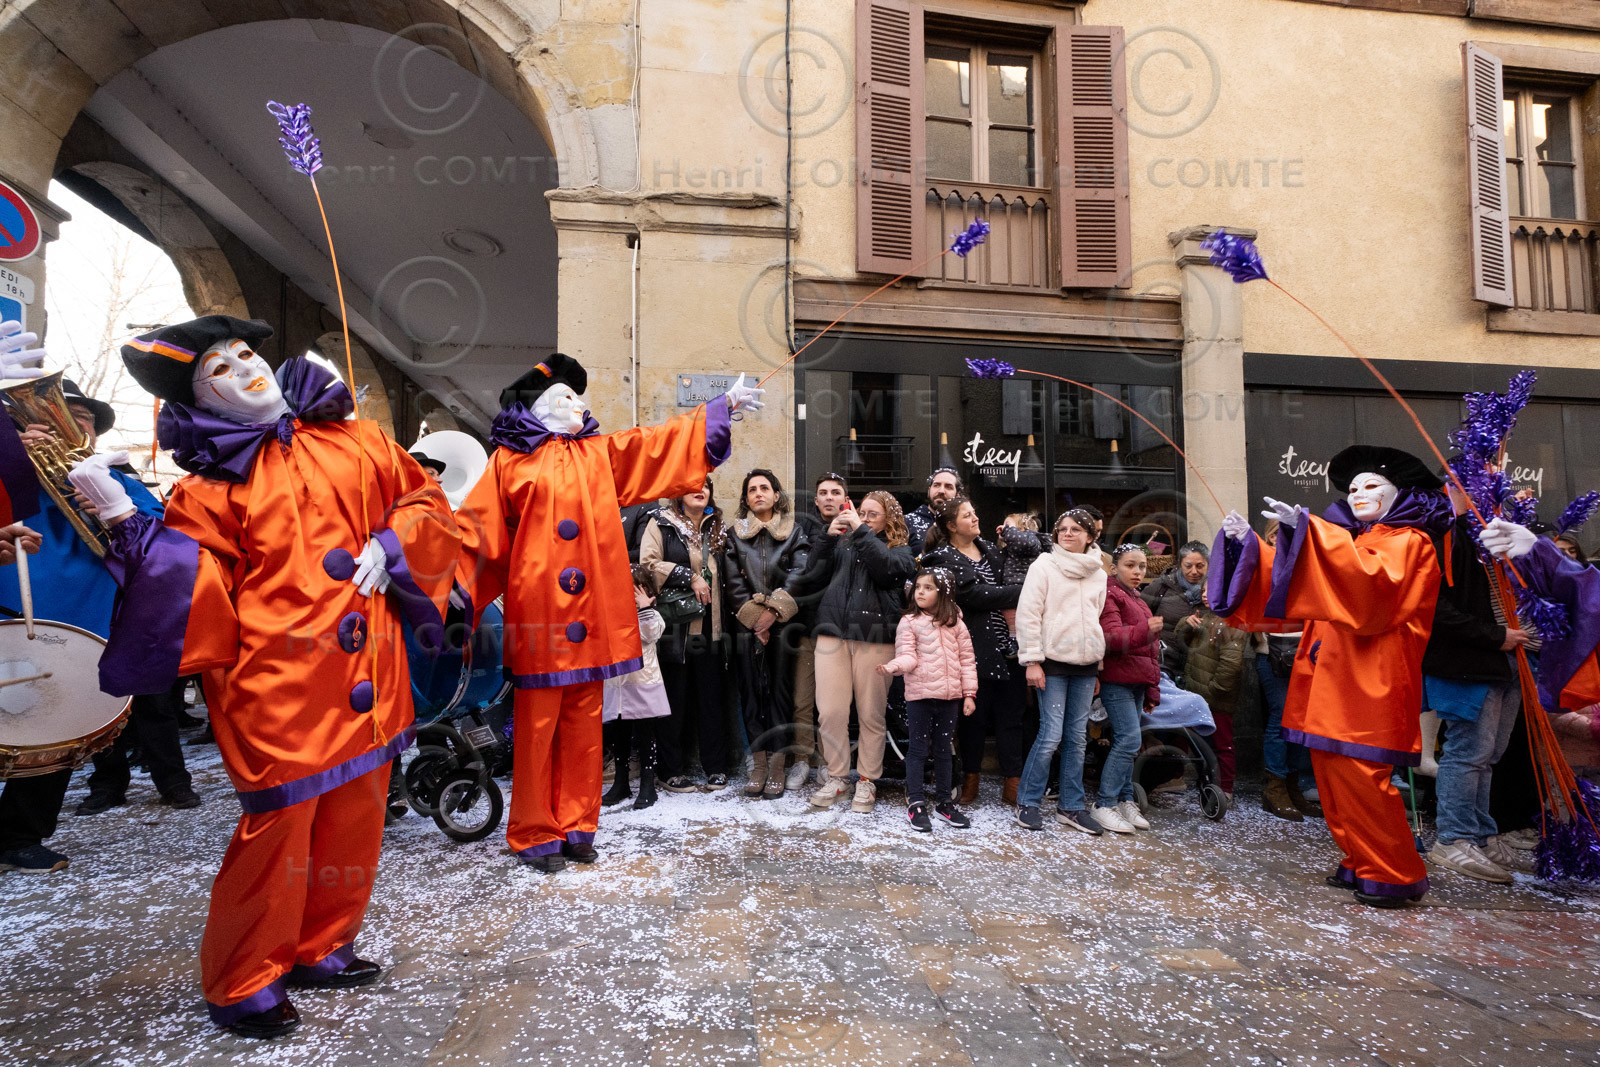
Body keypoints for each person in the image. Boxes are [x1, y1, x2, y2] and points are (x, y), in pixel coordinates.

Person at [82, 316, 460, 1037]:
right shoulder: (208, 491)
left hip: (370, 670)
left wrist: (395, 542)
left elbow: (425, 503)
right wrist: (130, 524)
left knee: (356, 814)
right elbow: (192, 593)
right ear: (200, 403)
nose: (242, 368)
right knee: (279, 825)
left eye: (246, 353)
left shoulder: (359, 440)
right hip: (276, 687)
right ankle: (244, 974)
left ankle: (323, 941)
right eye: (217, 369)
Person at [454, 355, 756, 873]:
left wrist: (719, 409)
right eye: (567, 397)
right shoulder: (508, 462)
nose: (580, 404)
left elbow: (654, 446)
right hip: (541, 617)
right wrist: (450, 590)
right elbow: (477, 534)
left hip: (591, 618)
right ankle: (533, 832)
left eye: (579, 396)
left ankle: (577, 825)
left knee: (584, 726)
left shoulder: (599, 453)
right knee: (537, 730)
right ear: (538, 409)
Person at [1212, 445, 1448, 908]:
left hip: (1370, 682)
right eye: (1353, 487)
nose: (1359, 493)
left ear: (1399, 495)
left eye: (1372, 486)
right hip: (1330, 679)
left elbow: (1368, 593)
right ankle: (1361, 859)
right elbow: (1302, 599)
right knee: (1334, 777)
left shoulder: (1410, 542)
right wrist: (1251, 550)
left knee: (1363, 776)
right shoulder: (1356, 540)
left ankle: (1393, 871)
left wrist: (1307, 534)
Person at [0, 360, 176, 875]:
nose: (72, 427)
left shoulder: (116, 477)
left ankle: (20, 834)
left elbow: (160, 541)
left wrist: (109, 503)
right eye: (58, 416)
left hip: (85, 623)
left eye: (83, 419)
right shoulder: (9, 468)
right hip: (12, 606)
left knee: (56, 728)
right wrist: (14, 464)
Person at [1420, 473, 1531, 884]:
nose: (1484, 493)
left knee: (1490, 753)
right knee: (1468, 752)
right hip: (1467, 660)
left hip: (1504, 660)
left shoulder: (1492, 534)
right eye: (1471, 484)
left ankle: (1481, 836)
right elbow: (1432, 605)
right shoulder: (1438, 535)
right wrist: (1495, 635)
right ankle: (1453, 838)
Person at [804, 490, 916, 814]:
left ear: (888, 519)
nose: (862, 518)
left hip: (876, 638)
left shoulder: (901, 550)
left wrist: (860, 530)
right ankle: (838, 776)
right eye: (860, 512)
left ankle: (867, 779)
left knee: (870, 714)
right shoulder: (841, 542)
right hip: (832, 634)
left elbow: (887, 570)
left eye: (871, 514)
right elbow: (812, 573)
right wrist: (827, 537)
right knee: (830, 712)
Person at [921, 495, 1027, 806]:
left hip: (1012, 647)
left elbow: (996, 587)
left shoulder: (991, 550)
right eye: (967, 515)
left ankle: (1013, 782)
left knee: (1012, 718)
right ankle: (971, 781)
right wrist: (1023, 592)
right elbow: (973, 595)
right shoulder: (943, 557)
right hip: (972, 649)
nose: (975, 518)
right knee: (973, 719)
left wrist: (1008, 594)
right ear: (952, 526)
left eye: (974, 512)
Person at [1014, 510, 1108, 835]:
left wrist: (1097, 665)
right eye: (1062, 529)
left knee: (1077, 739)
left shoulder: (1099, 572)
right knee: (1051, 734)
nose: (1067, 534)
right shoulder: (1043, 566)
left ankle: (1071, 806)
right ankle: (1028, 801)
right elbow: (1028, 614)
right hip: (1050, 664)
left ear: (1090, 535)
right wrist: (1032, 661)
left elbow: (1095, 618)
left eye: (1075, 529)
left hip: (1084, 667)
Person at [723, 469, 810, 798]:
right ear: (745, 499)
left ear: (776, 495)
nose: (758, 493)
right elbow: (732, 580)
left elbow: (800, 574)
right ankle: (758, 763)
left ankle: (777, 763)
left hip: (783, 626)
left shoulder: (794, 531)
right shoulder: (734, 534)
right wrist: (754, 617)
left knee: (779, 692)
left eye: (765, 488)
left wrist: (773, 613)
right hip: (746, 627)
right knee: (751, 692)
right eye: (751, 490)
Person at [639, 480, 730, 793]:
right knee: (674, 701)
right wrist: (687, 575)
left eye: (706, 485)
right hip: (675, 629)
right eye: (693, 484)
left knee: (711, 701)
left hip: (713, 629)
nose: (700, 488)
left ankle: (716, 767)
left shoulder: (717, 526)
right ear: (679, 491)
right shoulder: (660, 523)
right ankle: (671, 770)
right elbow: (648, 564)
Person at [878, 568, 977, 832]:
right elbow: (908, 655)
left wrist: (969, 694)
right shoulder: (909, 621)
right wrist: (894, 666)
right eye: (918, 587)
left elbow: (967, 661)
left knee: (944, 749)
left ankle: (945, 801)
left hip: (949, 698)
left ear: (942, 592)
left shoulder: (957, 622)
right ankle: (917, 802)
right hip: (920, 696)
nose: (920, 592)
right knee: (918, 750)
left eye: (928, 588)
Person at [788, 472, 852, 788]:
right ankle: (802, 758)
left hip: (842, 631)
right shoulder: (803, 531)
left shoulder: (856, 531)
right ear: (815, 501)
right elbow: (807, 574)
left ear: (845, 499)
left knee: (831, 704)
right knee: (803, 699)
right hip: (807, 627)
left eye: (835, 492)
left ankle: (828, 762)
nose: (829, 497)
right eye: (823, 492)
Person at [1172, 551, 1249, 803]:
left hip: (1216, 698)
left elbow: (1231, 663)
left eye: (1211, 590)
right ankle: (1205, 783)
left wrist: (1216, 689)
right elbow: (1181, 642)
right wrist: (1185, 623)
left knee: (1222, 745)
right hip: (1198, 694)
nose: (1204, 594)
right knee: (1201, 744)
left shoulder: (1231, 621)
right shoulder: (1203, 618)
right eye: (1204, 590)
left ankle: (1225, 788)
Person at [1096, 544, 1163, 832]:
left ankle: (1124, 799)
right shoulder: (1110, 594)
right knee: (1129, 741)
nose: (1137, 572)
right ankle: (1104, 803)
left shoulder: (1138, 599)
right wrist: (1147, 629)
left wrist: (1151, 689)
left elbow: (1151, 652)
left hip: (1135, 681)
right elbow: (1111, 638)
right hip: (1117, 680)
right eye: (1130, 565)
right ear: (1114, 568)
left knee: (1128, 742)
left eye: (1142, 567)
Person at [1256, 519, 1317, 822]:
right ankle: (1275, 787)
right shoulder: (1263, 566)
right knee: (1281, 718)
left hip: (1306, 652)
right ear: (1269, 537)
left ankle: (1292, 786)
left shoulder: (1306, 566)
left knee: (1299, 722)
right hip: (1273, 652)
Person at [600, 566, 671, 810]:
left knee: (644, 732)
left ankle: (648, 784)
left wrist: (645, 608)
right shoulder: (613, 614)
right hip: (617, 683)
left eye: (635, 591)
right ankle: (621, 781)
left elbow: (651, 634)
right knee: (619, 732)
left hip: (642, 682)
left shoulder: (651, 616)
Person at [1142, 542, 1211, 679]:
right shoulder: (1162, 586)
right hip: (1164, 664)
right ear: (1180, 564)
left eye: (1200, 566)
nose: (1194, 571)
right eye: (1188, 566)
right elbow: (1139, 616)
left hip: (1201, 670)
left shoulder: (1217, 590)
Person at [904, 467, 963, 550]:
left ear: (958, 495)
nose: (941, 491)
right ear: (929, 490)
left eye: (948, 487)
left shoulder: (964, 523)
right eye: (936, 485)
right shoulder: (907, 522)